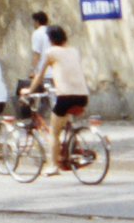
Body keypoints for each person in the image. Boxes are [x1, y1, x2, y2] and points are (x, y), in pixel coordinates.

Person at [29, 24, 89, 173]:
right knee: (65, 120)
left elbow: (40, 75)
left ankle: (53, 166)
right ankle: (70, 150)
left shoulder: (50, 52)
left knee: (54, 132)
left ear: (50, 39)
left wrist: (28, 90)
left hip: (66, 96)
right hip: (82, 95)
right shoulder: (74, 51)